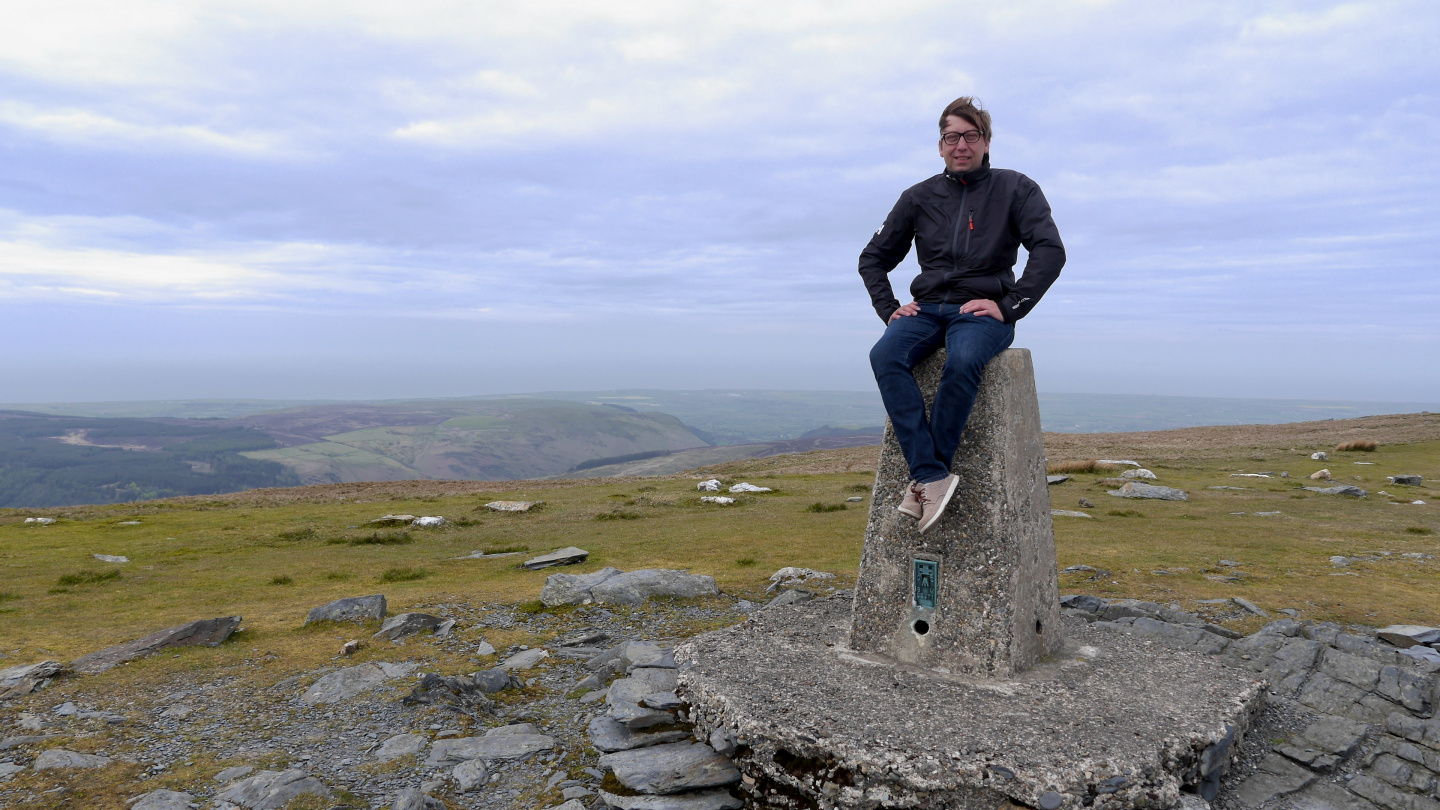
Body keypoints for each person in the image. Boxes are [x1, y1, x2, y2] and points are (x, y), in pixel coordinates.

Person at [859, 96, 1065, 533]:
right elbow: (872, 258)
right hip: (926, 311)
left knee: (964, 359)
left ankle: (925, 478)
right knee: (884, 356)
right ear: (940, 146)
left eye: (971, 136)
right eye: (952, 137)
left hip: (982, 312)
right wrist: (890, 310)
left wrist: (1010, 306)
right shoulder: (918, 197)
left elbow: (1050, 251)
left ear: (986, 143)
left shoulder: (1016, 188)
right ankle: (931, 476)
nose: (962, 145)